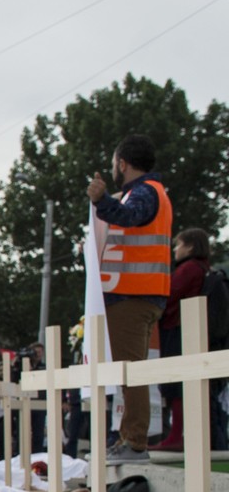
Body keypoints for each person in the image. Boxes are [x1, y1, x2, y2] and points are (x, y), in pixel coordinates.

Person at [88, 133, 172, 464]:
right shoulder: (151, 192)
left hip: (133, 294)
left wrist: (101, 201)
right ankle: (130, 439)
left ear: (122, 163)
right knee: (130, 369)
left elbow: (131, 217)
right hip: (139, 292)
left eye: (115, 162)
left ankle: (134, 442)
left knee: (130, 371)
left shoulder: (145, 193)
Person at [156, 227, 211, 452]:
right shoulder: (202, 268)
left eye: (178, 245)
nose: (175, 251)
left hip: (177, 330)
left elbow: (168, 294)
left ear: (189, 246)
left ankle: (176, 436)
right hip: (186, 329)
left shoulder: (188, 269)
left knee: (175, 385)